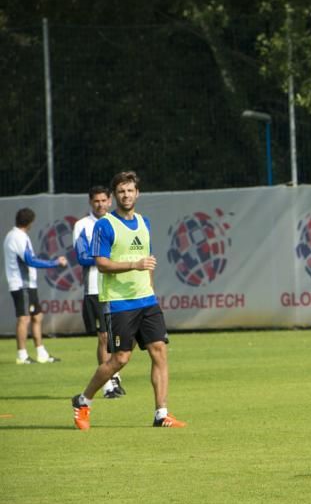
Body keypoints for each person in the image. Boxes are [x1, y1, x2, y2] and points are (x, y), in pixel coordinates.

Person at [71, 171, 185, 430]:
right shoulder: (105, 225)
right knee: (120, 359)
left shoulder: (144, 222)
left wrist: (151, 289)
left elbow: (149, 260)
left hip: (147, 301)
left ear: (137, 194)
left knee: (160, 353)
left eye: (130, 190)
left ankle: (161, 413)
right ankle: (83, 400)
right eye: (121, 191)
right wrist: (135, 263)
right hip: (118, 302)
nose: (126, 195)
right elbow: (100, 264)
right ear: (115, 196)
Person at [73, 185, 126, 398]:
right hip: (96, 288)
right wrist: (106, 258)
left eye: (104, 200)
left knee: (119, 338)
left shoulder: (117, 222)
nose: (100, 204)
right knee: (104, 337)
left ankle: (114, 377)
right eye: (96, 201)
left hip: (120, 288)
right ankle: (107, 385)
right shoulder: (82, 225)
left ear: (110, 201)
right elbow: (81, 256)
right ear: (90, 202)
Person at [3, 208, 68, 364]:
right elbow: (30, 260)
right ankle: (22, 355)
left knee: (37, 316)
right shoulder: (17, 237)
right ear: (30, 222)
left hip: (28, 284)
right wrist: (55, 263)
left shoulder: (17, 235)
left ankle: (41, 353)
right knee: (24, 319)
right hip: (21, 284)